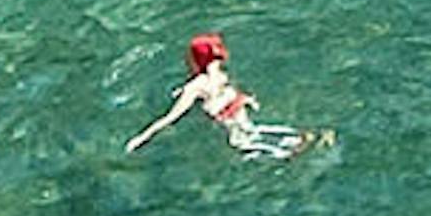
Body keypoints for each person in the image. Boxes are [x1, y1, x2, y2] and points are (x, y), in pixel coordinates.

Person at [128, 33, 326, 163]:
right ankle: (299, 134)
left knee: (241, 144)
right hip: (237, 101)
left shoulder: (194, 88)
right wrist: (247, 99)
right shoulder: (220, 73)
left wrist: (142, 137)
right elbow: (224, 86)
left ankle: (286, 153)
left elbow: (170, 118)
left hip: (224, 113)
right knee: (252, 128)